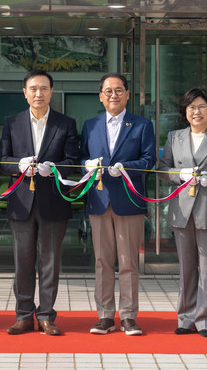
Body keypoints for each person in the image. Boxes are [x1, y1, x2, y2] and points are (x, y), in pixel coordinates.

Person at [0, 69, 80, 336]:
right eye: (33, 88)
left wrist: (53, 169)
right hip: (21, 202)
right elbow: (2, 161)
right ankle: (23, 316)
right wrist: (18, 165)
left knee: (50, 263)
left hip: (53, 201)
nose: (38, 93)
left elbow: (73, 161)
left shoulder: (65, 124)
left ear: (51, 92)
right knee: (22, 263)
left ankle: (46, 316)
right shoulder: (12, 122)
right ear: (25, 92)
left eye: (44, 88)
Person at [81, 73, 156, 336]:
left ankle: (128, 316)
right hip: (99, 199)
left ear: (127, 94)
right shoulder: (90, 125)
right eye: (108, 91)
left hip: (129, 200)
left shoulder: (142, 125)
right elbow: (81, 158)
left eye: (119, 90)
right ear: (100, 96)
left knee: (128, 262)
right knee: (102, 261)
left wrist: (126, 168)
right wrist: (86, 165)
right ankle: (104, 316)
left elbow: (149, 160)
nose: (113, 95)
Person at [157, 88, 207, 337]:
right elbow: (162, 169)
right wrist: (179, 174)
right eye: (192, 107)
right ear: (185, 111)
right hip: (182, 210)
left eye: (202, 106)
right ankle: (186, 317)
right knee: (186, 268)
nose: (196, 112)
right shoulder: (174, 137)